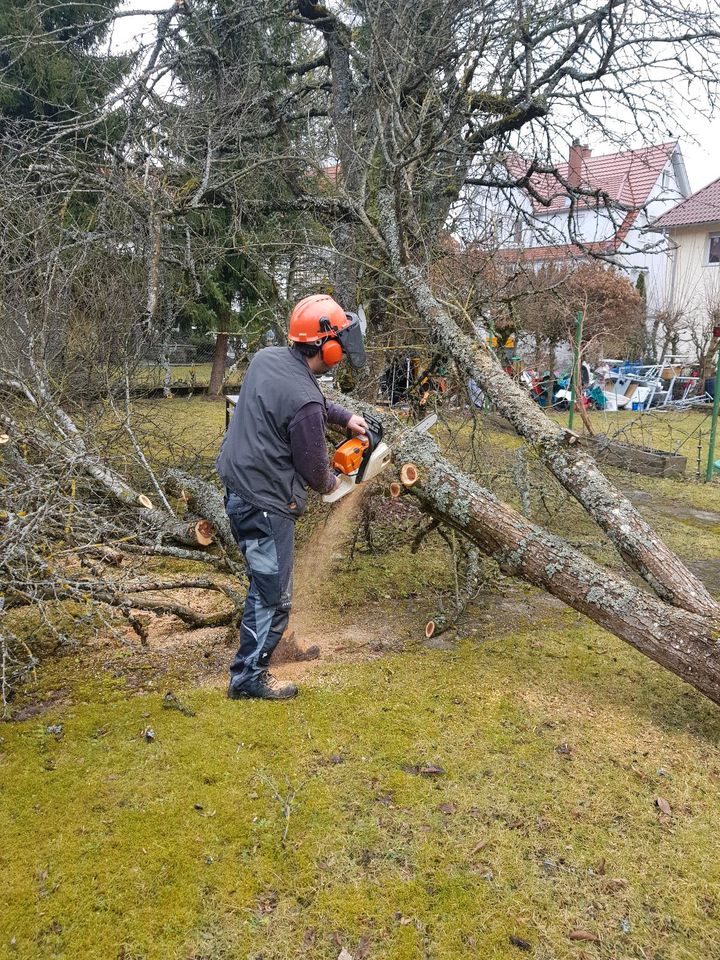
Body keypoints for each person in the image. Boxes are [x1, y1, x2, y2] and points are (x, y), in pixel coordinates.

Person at [216, 294, 368, 701]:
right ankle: (247, 679)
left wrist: (341, 415)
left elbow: (303, 398)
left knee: (263, 586)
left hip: (238, 485)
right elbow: (316, 473)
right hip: (264, 505)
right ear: (328, 347)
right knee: (274, 597)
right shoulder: (304, 402)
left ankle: (252, 664)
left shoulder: (268, 358)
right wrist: (337, 482)